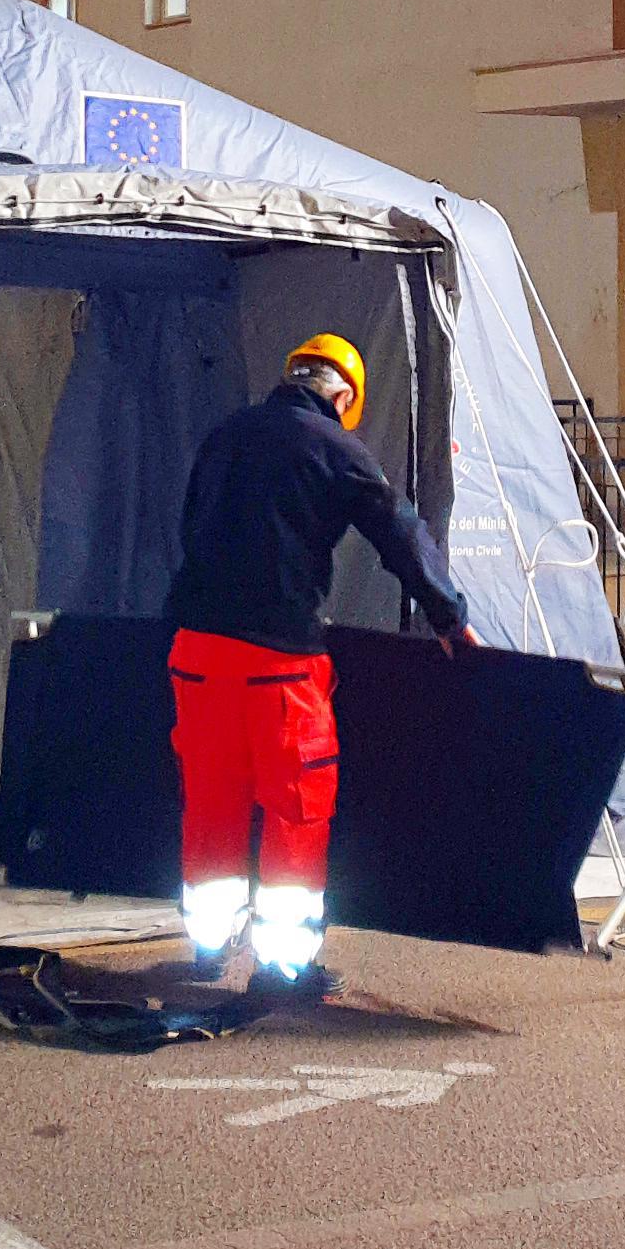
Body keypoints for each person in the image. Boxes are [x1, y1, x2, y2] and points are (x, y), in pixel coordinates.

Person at [161, 332, 472, 991]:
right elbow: (400, 532)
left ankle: (210, 947)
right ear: (345, 395)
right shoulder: (337, 448)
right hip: (278, 665)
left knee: (212, 801)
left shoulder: (224, 436)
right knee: (295, 810)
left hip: (194, 656)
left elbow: (188, 529)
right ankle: (283, 964)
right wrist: (449, 618)